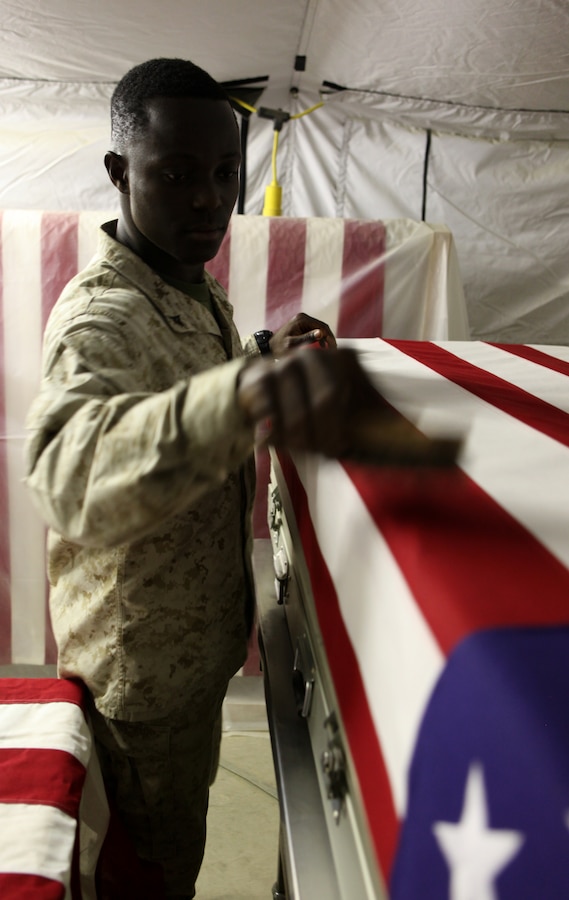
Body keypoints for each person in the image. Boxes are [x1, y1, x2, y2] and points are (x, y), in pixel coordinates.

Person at [24, 57, 384, 899]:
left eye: (225, 174)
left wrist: (262, 353)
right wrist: (249, 393)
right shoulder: (103, 314)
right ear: (120, 173)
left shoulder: (182, 284)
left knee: (171, 839)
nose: (206, 199)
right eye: (176, 174)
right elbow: (68, 479)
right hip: (140, 676)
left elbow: (178, 385)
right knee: (151, 874)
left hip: (187, 654)